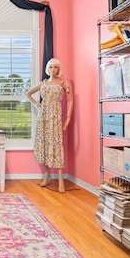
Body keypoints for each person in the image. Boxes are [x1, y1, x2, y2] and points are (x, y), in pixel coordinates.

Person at [26, 58, 73, 192]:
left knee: (56, 145)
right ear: (48, 68)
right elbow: (28, 93)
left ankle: (60, 180)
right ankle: (46, 176)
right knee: (45, 145)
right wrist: (36, 104)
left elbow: (70, 101)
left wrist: (67, 119)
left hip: (56, 117)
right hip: (43, 117)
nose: (53, 70)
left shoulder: (64, 83)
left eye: (56, 67)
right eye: (51, 67)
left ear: (59, 69)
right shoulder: (43, 83)